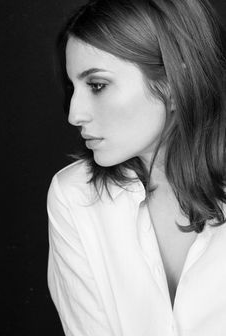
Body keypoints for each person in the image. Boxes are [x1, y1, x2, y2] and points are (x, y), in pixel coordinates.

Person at [46, 0, 226, 335]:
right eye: (73, 88)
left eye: (97, 85)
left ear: (174, 82)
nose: (74, 114)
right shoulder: (74, 197)